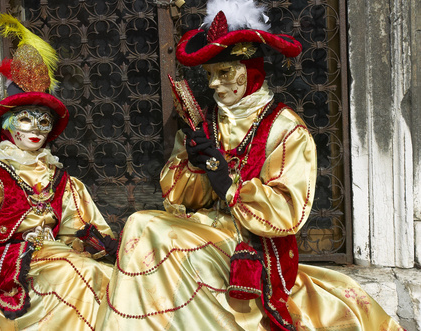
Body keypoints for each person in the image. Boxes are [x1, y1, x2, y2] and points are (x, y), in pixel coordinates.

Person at [96, 0, 404, 330]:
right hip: (205, 227)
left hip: (253, 243)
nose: (214, 84)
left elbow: (289, 211)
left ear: (251, 70)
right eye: (210, 75)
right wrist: (197, 167)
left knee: (152, 231)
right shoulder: (207, 121)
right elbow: (176, 196)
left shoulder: (285, 128)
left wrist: (228, 184)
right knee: (141, 222)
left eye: (225, 72)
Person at [0, 14, 117, 330]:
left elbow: (80, 223)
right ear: (8, 123)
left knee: (107, 277)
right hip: (14, 267)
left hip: (59, 257)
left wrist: (96, 241)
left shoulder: (62, 180)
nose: (35, 128)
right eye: (25, 118)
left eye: (43, 120)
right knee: (78, 273)